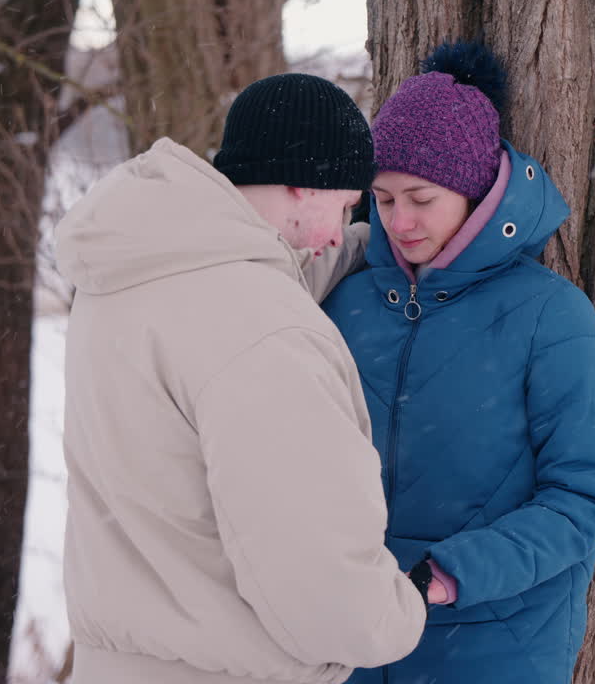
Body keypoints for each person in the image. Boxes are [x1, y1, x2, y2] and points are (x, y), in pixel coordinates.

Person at [55, 73, 426, 684]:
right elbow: (318, 572)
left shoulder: (128, 274)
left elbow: (254, 286)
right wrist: (398, 612)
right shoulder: (267, 336)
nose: (339, 230)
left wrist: (364, 248)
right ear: (301, 185)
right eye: (344, 206)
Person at [322, 42, 595, 683]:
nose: (399, 220)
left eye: (421, 198)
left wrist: (451, 573)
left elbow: (583, 498)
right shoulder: (344, 303)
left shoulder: (551, 317)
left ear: (475, 188)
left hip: (496, 645)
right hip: (348, 641)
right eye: (382, 198)